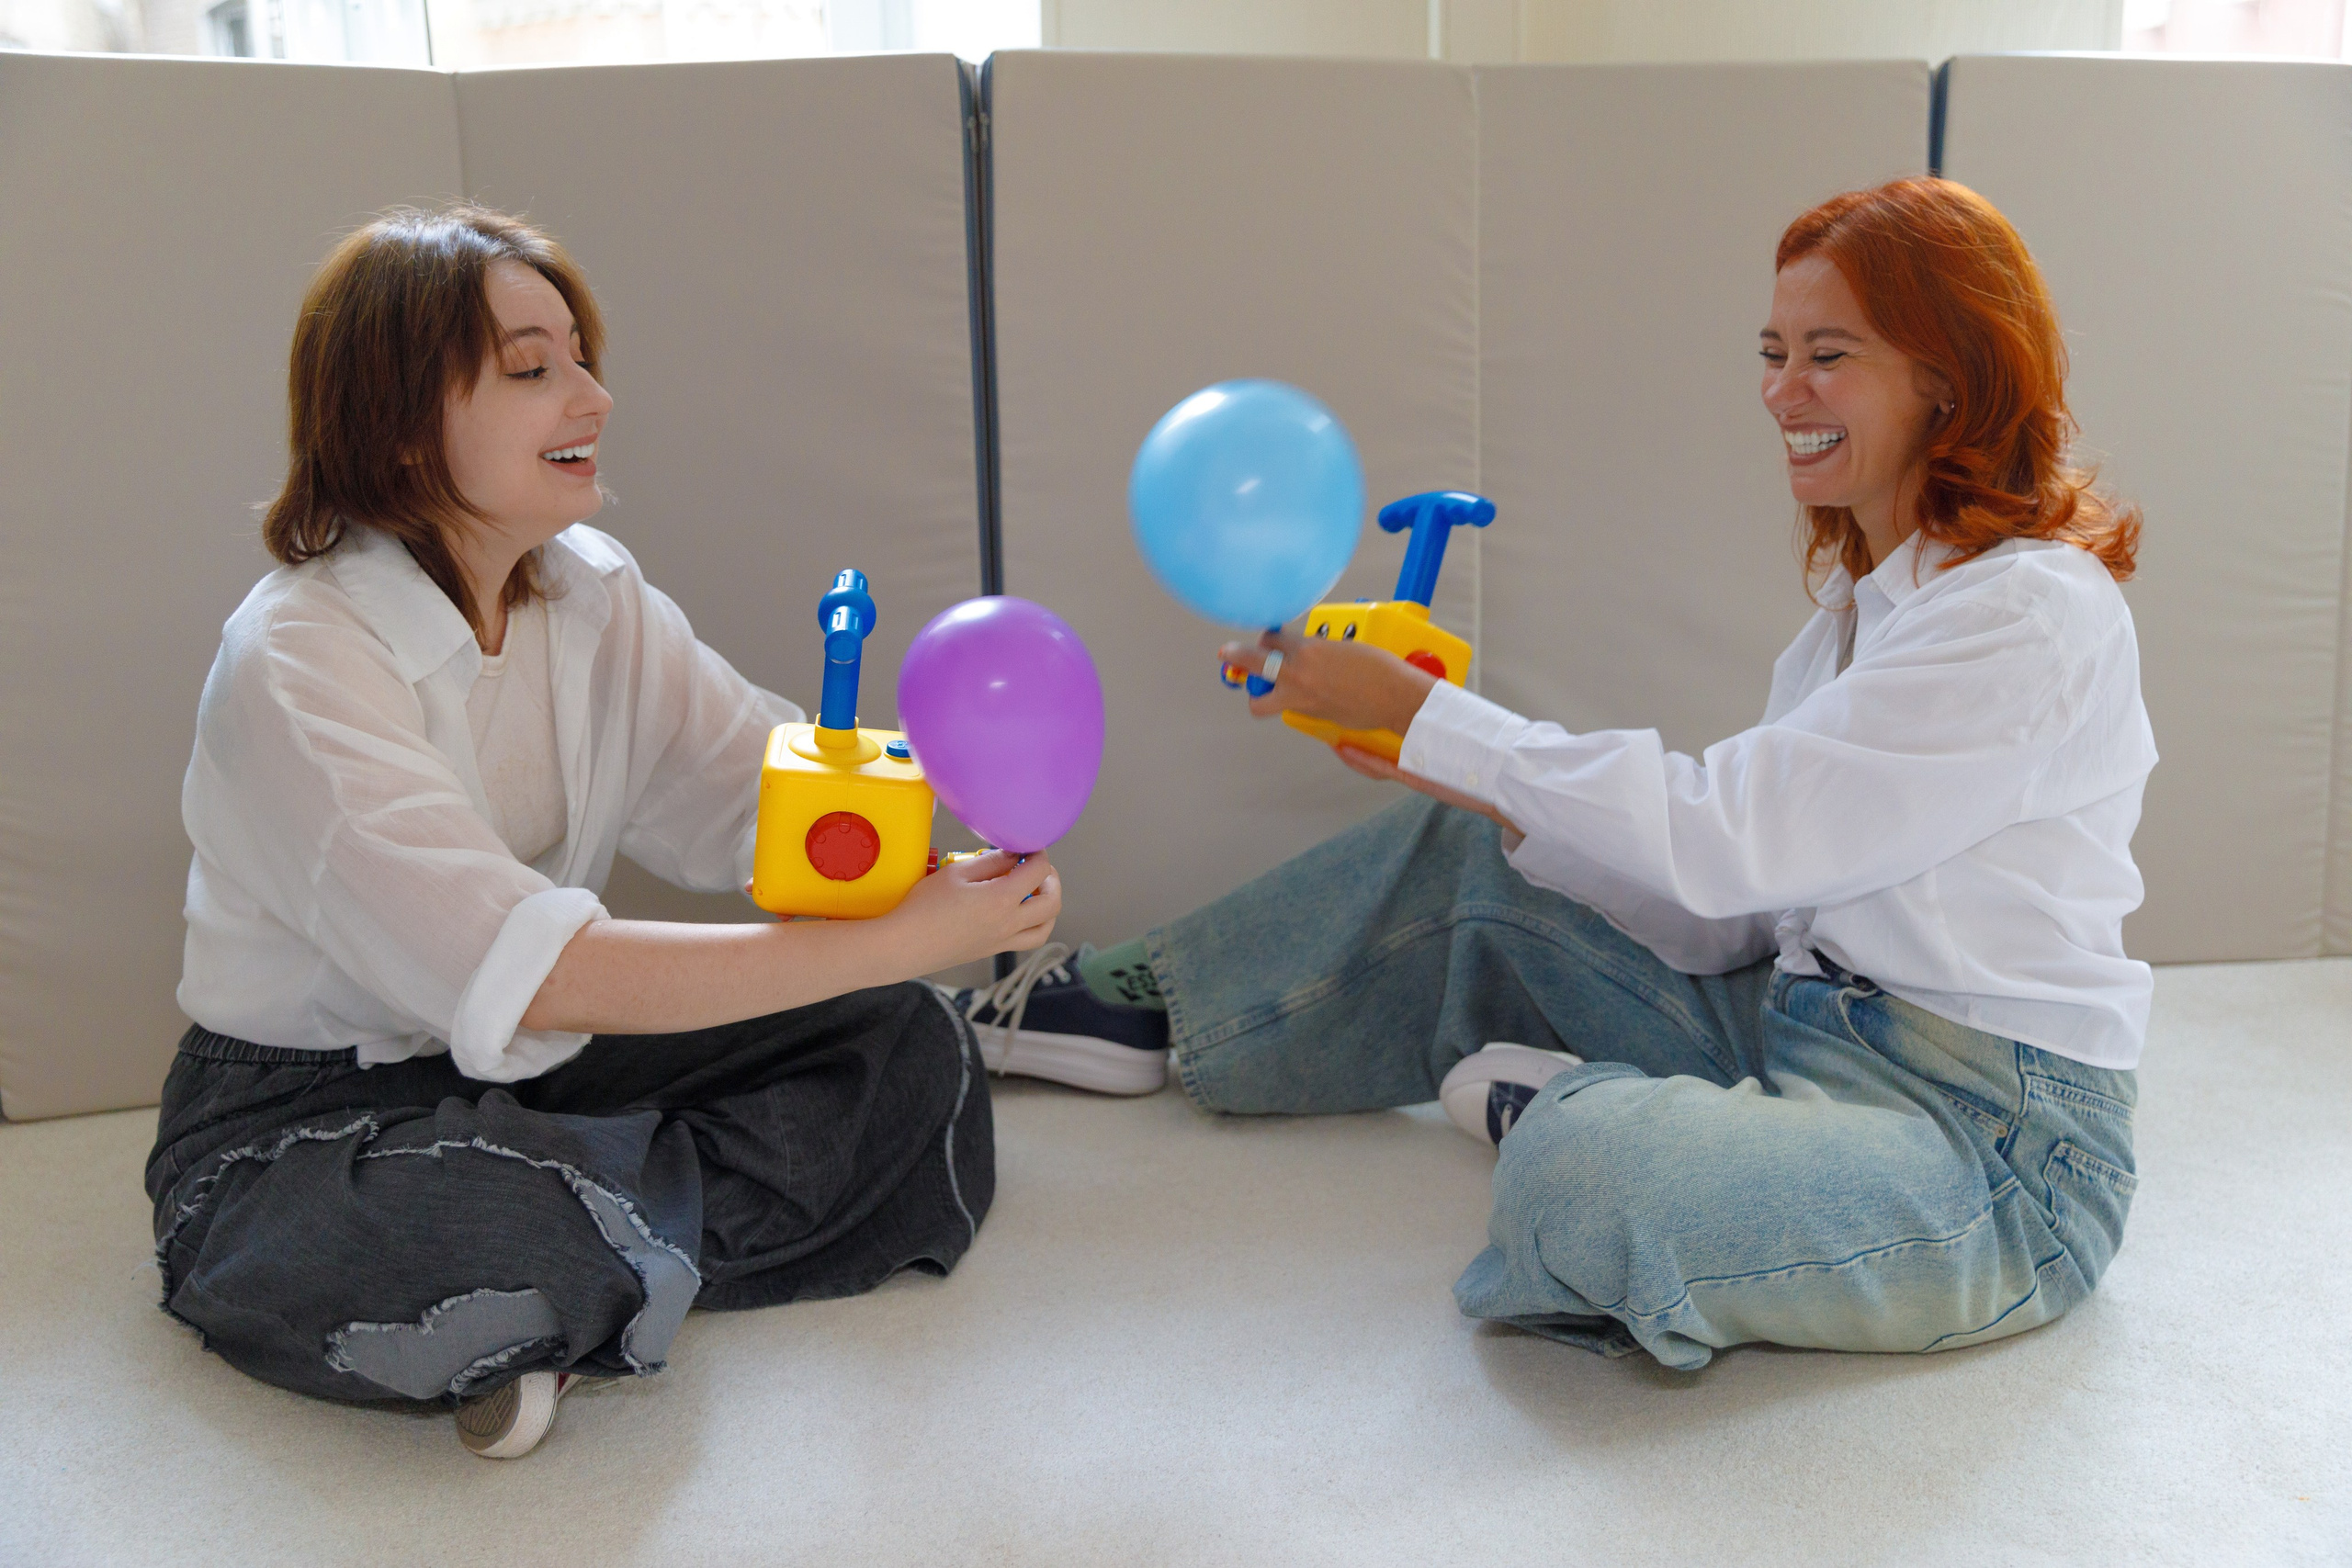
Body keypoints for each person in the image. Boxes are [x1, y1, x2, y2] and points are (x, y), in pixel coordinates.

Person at [1012, 175, 2154, 1371]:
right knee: (1473, 857)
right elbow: (1730, 924)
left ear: (1952, 379)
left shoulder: (2028, 615)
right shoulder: (1852, 620)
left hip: (1991, 1148)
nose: (1781, 391)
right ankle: (1127, 1000)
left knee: (1589, 1177)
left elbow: (1727, 838)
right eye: (1773, 352)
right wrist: (1469, 781)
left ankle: (1583, 1113)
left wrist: (1442, 723)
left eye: (1828, 354)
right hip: (1796, 1028)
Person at [147, 206, 1078, 1459]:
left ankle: (593, 1252)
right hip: (303, 1119)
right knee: (495, 1231)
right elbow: (545, 969)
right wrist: (893, 935)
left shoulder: (594, 590)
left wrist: (940, 872)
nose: (592, 393)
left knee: (911, 1050)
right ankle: (574, 1233)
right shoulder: (296, 663)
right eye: (534, 369)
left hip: (535, 1072)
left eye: (581, 356)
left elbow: (759, 794)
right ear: (402, 425)